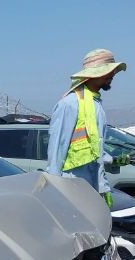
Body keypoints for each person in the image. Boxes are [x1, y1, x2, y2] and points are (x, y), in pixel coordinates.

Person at [46, 49, 128, 208]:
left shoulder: (95, 104)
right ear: (94, 74)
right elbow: (56, 149)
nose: (112, 75)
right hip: (71, 185)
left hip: (91, 184)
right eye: (108, 71)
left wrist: (113, 160)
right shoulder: (69, 104)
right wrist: (54, 189)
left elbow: (93, 150)